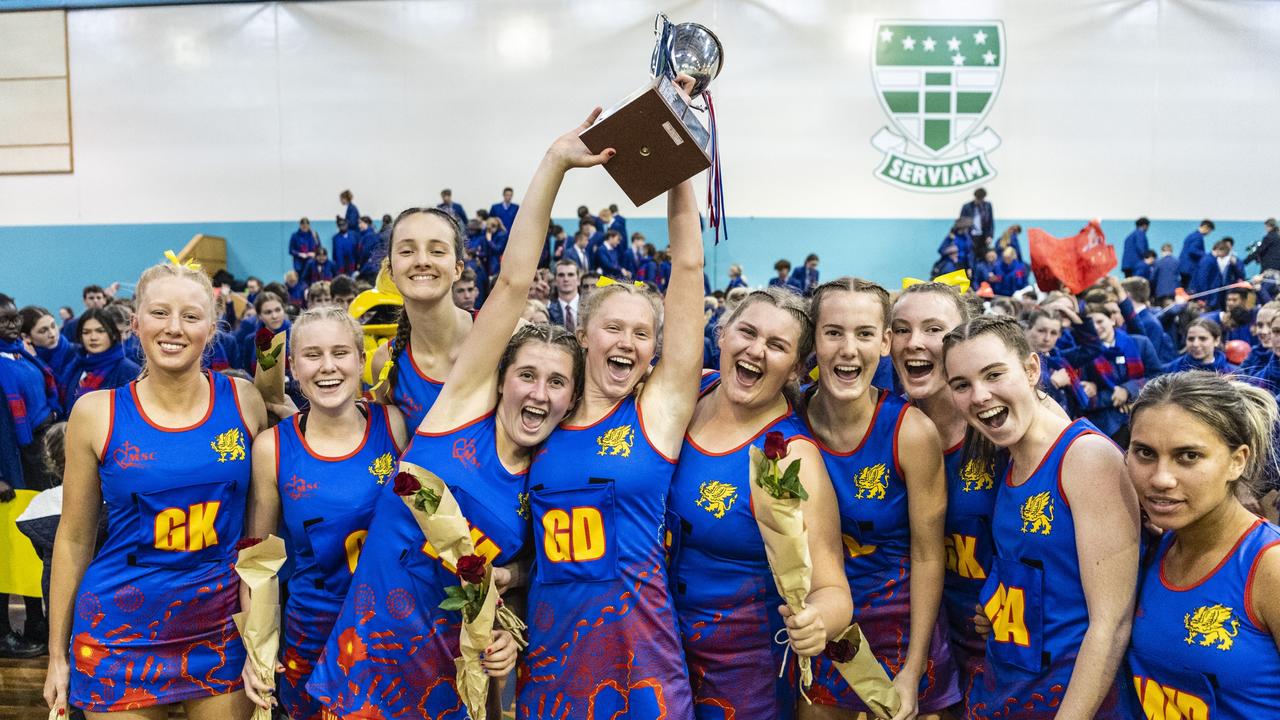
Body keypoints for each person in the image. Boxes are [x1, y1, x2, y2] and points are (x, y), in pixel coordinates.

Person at [308, 110, 606, 719]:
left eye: (553, 383)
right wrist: (553, 164)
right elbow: (515, 281)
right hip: (371, 658)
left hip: (465, 672)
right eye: (526, 375)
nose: (537, 394)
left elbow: (538, 565)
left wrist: (514, 599)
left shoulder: (545, 471)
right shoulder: (454, 406)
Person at [517, 92, 706, 720]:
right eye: (613, 328)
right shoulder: (534, 416)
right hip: (549, 658)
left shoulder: (658, 412)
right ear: (583, 336)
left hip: (641, 659)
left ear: (656, 351)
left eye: (642, 334)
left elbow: (686, 265)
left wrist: (680, 154)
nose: (626, 342)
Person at [44, 259, 270, 717]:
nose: (174, 328)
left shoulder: (244, 401)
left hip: (221, 627)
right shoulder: (96, 413)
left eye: (190, 316)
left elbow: (258, 536)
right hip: (119, 629)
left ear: (211, 327)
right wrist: (55, 656)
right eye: (160, 312)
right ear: (136, 322)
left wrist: (262, 634)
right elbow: (73, 537)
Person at [942, 315, 1139, 718]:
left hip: (1072, 697)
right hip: (1009, 685)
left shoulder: (1086, 459)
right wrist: (1000, 604)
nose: (979, 395)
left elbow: (1112, 626)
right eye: (962, 385)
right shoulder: (1006, 456)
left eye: (994, 374)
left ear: (1032, 369)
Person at [668, 288, 850, 720]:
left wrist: (816, 623)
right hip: (658, 648)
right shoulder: (688, 391)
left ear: (796, 369)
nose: (756, 350)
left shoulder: (791, 457)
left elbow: (833, 591)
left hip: (743, 673)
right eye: (747, 332)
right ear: (723, 333)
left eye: (777, 345)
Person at [802, 279, 959, 718]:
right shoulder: (789, 421)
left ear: (886, 342)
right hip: (818, 631)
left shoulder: (911, 431)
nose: (848, 348)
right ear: (813, 338)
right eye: (833, 332)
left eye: (865, 333)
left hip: (903, 635)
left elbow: (929, 556)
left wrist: (913, 668)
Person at [241, 307, 408, 718]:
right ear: (293, 367)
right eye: (312, 355)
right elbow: (259, 564)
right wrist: (256, 649)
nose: (328, 366)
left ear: (360, 358)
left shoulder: (395, 425)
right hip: (312, 636)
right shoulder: (272, 449)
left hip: (394, 628)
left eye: (340, 352)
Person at [1126, 372, 1280, 719]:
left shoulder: (1269, 567)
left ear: (1237, 460)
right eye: (1145, 453)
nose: (1160, 479)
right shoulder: (1148, 548)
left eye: (1189, 456)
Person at [889, 283, 996, 712]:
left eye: (933, 329)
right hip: (926, 644)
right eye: (901, 329)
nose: (914, 342)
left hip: (1001, 646)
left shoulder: (1003, 425)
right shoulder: (885, 426)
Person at [0, 295, 62, 659]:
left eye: (13, 319)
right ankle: (4, 632)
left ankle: (36, 622)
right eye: (3, 321)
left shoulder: (20, 353)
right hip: (8, 464)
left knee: (30, 545)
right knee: (6, 552)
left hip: (31, 460)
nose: (11, 325)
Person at [58, 307, 141, 412]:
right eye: (86, 332)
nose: (93, 337)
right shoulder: (76, 365)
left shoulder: (129, 371)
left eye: (100, 331)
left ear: (113, 334)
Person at [21, 305, 77, 382]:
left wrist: (37, 360)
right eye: (43, 331)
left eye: (53, 326)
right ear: (26, 337)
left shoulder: (76, 353)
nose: (52, 334)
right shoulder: (22, 362)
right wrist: (35, 359)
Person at [1164, 318, 1234, 373]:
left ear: (1216, 341)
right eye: (1191, 339)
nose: (1195, 344)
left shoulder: (1232, 374)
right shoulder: (1171, 371)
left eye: (1203, 339)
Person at [1190, 239, 1245, 310]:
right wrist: (1204, 298)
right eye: (1225, 253)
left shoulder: (1211, 260)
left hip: (1210, 296)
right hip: (1207, 297)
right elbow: (1202, 280)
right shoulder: (1208, 261)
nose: (1225, 256)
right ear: (1220, 250)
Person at [1178, 220, 1214, 289]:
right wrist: (1206, 255)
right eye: (1210, 231)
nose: (1209, 233)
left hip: (1183, 267)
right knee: (1187, 289)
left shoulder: (1191, 235)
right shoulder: (1198, 237)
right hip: (1189, 268)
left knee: (1183, 287)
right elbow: (1193, 250)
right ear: (1206, 227)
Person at [546, 259, 580, 331]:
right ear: (555, 280)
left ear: (578, 280)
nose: (566, 279)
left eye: (570, 274)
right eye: (561, 275)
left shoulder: (591, 307)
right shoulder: (548, 308)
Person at [960, 187, 993, 254]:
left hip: (983, 236)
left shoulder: (987, 206)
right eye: (978, 199)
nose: (979, 201)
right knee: (970, 256)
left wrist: (990, 236)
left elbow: (990, 222)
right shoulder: (967, 207)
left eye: (981, 199)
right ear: (975, 197)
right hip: (970, 236)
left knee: (982, 256)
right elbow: (961, 223)